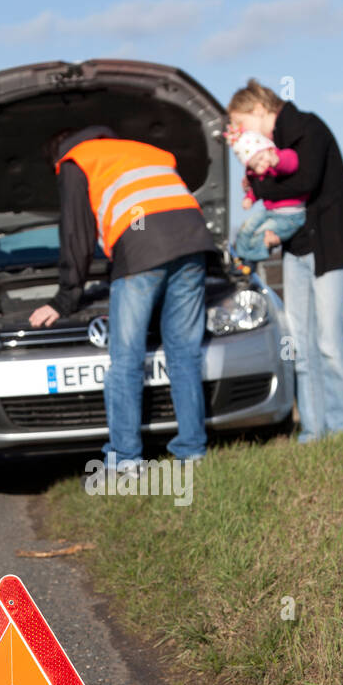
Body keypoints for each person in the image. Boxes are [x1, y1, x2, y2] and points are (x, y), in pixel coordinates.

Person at [29, 126, 215, 467]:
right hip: (193, 242)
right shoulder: (144, 150)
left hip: (143, 250)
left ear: (57, 156)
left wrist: (65, 299)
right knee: (185, 355)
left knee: (127, 360)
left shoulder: (75, 160)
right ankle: (192, 452)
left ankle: (126, 459)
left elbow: (77, 234)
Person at [226, 80, 343, 441]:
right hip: (298, 248)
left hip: (332, 243)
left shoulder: (309, 128)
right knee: (300, 340)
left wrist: (257, 187)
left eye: (242, 123)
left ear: (260, 110)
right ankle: (313, 428)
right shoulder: (267, 150)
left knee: (328, 338)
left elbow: (303, 182)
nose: (243, 135)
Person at [225, 126, 306, 265]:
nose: (262, 165)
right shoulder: (258, 174)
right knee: (247, 227)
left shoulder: (278, 159)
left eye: (262, 158)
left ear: (268, 149)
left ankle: (258, 253)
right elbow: (257, 190)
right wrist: (249, 198)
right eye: (256, 165)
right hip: (271, 211)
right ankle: (240, 255)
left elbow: (291, 163)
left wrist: (277, 161)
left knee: (262, 233)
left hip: (290, 215)